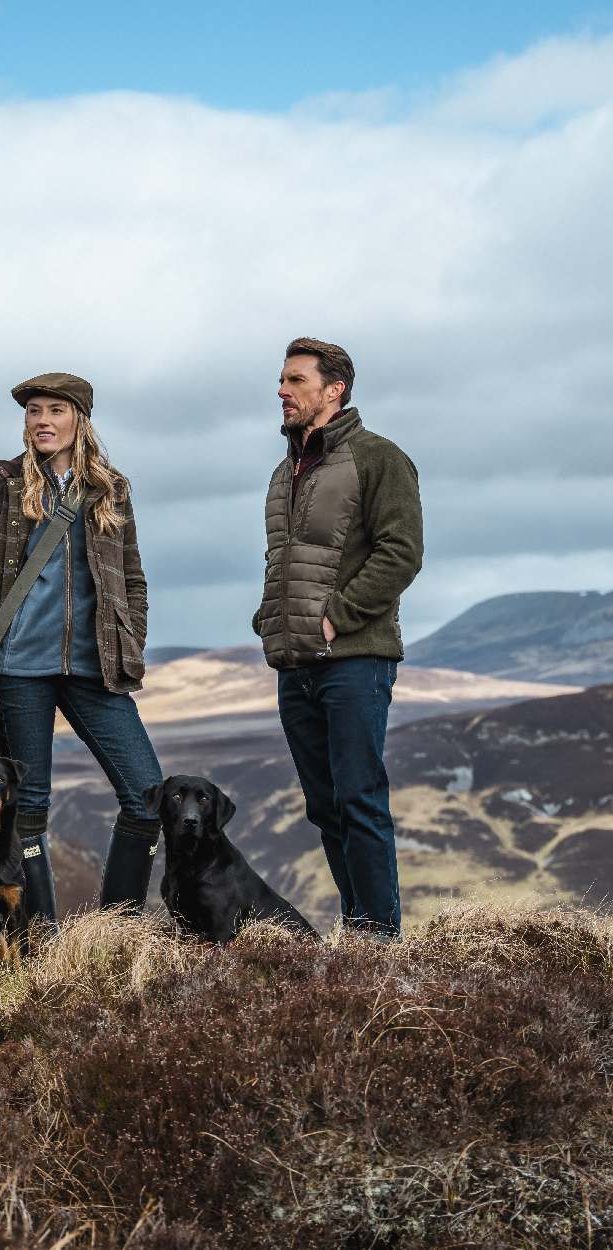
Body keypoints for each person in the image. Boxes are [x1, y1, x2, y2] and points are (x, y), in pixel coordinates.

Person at [0, 372, 163, 926]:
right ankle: (42, 939)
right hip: (18, 668)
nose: (43, 421)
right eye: (34, 411)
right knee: (28, 812)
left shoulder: (111, 489)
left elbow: (133, 578)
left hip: (95, 667)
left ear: (80, 420)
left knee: (147, 797)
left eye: (56, 410)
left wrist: (131, 639)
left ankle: (116, 928)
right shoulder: (0, 483)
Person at [253, 338, 423, 940]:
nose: (283, 390)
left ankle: (380, 942)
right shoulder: (285, 471)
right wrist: (268, 616)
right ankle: (357, 935)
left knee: (359, 802)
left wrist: (340, 615)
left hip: (354, 658)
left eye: (296, 380)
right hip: (293, 662)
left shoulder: (379, 459)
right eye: (282, 380)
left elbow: (402, 552)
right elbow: (288, 559)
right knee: (324, 808)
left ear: (334, 390)